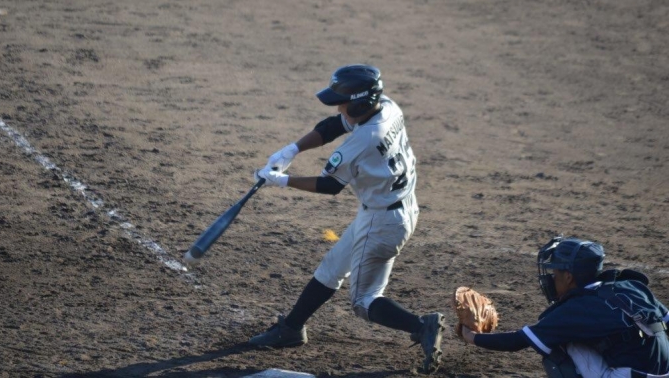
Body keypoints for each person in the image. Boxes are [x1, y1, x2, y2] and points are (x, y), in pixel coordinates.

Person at [247, 64, 445, 373]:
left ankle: (421, 326)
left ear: (360, 104)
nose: (339, 108)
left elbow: (330, 185)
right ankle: (291, 328)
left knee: (364, 301)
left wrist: (281, 181)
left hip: (382, 223)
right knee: (331, 268)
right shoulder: (387, 107)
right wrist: (292, 149)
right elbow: (333, 126)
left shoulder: (365, 140)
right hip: (395, 209)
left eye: (343, 103)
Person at [461, 236, 669, 378]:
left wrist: (471, 336)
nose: (552, 279)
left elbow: (518, 341)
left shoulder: (576, 308)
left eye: (555, 274)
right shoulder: (631, 286)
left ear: (569, 277)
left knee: (557, 345)